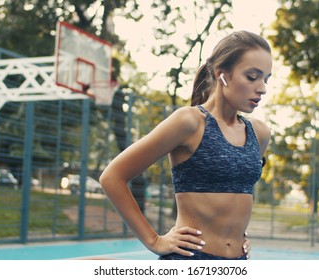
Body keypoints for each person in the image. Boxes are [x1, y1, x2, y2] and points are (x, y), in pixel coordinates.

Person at [99, 30, 272, 260]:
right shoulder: (189, 122)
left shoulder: (259, 133)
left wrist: (238, 235)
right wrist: (154, 240)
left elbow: (238, 191)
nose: (262, 88)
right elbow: (112, 176)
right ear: (222, 75)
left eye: (266, 79)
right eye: (252, 77)